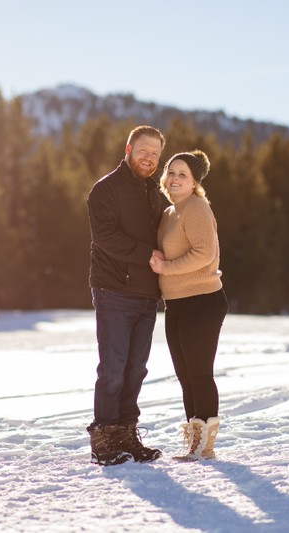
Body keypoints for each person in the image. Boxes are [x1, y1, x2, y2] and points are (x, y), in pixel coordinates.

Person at [86, 125, 168, 466]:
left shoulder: (155, 192)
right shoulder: (105, 189)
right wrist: (146, 255)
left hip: (147, 294)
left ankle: (126, 433)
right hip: (114, 291)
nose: (148, 158)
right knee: (114, 369)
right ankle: (104, 437)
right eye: (143, 150)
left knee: (136, 369)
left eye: (154, 153)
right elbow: (105, 236)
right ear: (128, 149)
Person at [149, 150, 228, 461]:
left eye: (183, 174)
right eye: (171, 172)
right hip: (177, 302)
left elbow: (204, 253)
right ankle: (195, 440)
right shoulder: (170, 212)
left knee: (199, 373)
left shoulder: (196, 207)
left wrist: (166, 268)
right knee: (185, 374)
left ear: (195, 182)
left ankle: (204, 446)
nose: (174, 178)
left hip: (202, 300)